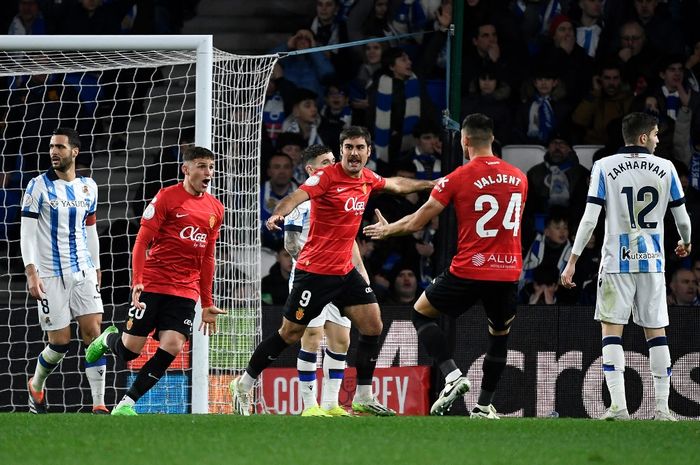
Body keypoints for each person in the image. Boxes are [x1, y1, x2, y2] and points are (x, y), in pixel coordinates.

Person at [229, 126, 435, 416]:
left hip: (344, 272)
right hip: (313, 273)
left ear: (368, 152)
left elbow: (397, 184)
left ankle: (362, 395)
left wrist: (432, 184)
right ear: (341, 151)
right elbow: (296, 196)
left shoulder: (367, 179)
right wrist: (279, 212)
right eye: (348, 147)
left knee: (373, 325)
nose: (354, 153)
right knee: (289, 334)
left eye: (359, 148)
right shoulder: (326, 178)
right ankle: (244, 383)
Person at [364, 113, 528, 418]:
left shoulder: (456, 178)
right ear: (492, 139)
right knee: (499, 336)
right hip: (507, 271)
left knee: (420, 313)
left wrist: (386, 230)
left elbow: (417, 221)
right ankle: (484, 405)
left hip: (469, 268)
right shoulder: (520, 177)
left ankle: (453, 375)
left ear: (464, 141)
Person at [561, 112, 692, 421]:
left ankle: (619, 407)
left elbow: (590, 218)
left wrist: (573, 261)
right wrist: (686, 242)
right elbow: (683, 219)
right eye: (656, 134)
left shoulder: (604, 166)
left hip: (616, 262)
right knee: (656, 333)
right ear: (644, 137)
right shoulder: (666, 168)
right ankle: (662, 408)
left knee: (611, 334)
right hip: (652, 262)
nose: (659, 140)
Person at [85, 146, 226, 416]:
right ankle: (108, 338)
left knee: (173, 345)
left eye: (210, 166)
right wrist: (137, 279)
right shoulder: (166, 197)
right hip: (154, 282)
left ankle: (127, 404)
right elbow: (142, 242)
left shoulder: (216, 209)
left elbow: (208, 258)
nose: (207, 172)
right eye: (201, 166)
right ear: (186, 169)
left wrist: (207, 303)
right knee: (129, 352)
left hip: (186, 289)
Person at [21, 127, 108, 414]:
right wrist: (31, 272)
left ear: (75, 151)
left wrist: (96, 267)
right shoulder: (38, 186)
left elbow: (91, 230)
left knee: (94, 333)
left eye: (59, 147)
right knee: (59, 343)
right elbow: (27, 234)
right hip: (49, 274)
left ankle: (98, 404)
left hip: (82, 270)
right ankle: (36, 384)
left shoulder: (89, 187)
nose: (53, 152)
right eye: (51, 147)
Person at [284, 144, 363, 417]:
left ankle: (331, 404)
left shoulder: (341, 198)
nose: (333, 165)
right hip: (312, 277)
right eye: (326, 162)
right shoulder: (303, 202)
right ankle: (309, 405)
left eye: (333, 160)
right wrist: (312, 263)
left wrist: (361, 274)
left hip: (340, 275)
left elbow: (350, 242)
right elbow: (291, 243)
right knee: (312, 337)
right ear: (311, 170)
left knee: (341, 339)